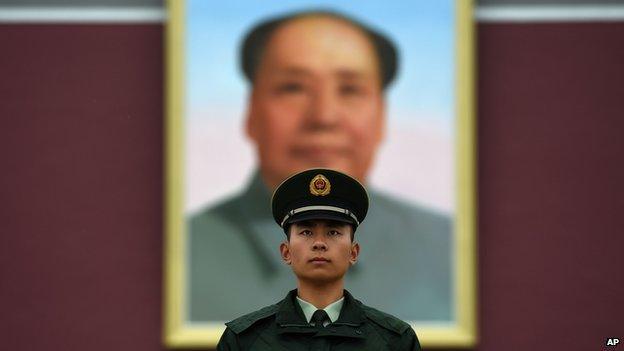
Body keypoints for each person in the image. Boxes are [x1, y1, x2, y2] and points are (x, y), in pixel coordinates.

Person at [189, 9, 451, 322]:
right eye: (293, 88)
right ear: (251, 112)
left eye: (350, 89)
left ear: (381, 117)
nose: (323, 117)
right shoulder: (181, 254)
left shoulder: (450, 251)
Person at [216, 168, 422, 350]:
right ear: (286, 252)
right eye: (306, 232)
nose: (319, 243)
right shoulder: (243, 341)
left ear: (353, 252)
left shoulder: (395, 341)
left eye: (333, 232)